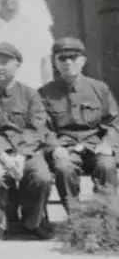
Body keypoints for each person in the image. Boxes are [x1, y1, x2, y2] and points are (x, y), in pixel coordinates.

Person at [0, 42, 55, 241]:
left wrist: (21, 155)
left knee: (41, 176)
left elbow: (37, 128)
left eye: (5, 62)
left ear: (17, 65)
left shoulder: (31, 94)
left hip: (27, 151)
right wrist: (3, 155)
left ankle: (32, 221)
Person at [39, 37, 119, 210]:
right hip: (65, 147)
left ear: (83, 60)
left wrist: (108, 143)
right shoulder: (45, 93)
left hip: (95, 146)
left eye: (73, 57)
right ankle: (75, 217)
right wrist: (54, 147)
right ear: (55, 62)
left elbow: (114, 121)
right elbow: (41, 126)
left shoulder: (99, 89)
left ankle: (106, 216)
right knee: (63, 168)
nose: (68, 62)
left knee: (106, 165)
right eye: (62, 58)